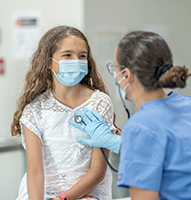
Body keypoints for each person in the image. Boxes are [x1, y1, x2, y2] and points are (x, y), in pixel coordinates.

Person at [69, 31, 191, 200]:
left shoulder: (140, 126)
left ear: (126, 75)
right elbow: (179, 155)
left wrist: (131, 140)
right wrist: (122, 143)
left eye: (114, 68)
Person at [10, 25, 119, 200]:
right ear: (48, 62)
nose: (76, 60)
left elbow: (98, 171)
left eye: (82, 55)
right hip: (41, 192)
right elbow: (35, 172)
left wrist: (63, 198)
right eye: (67, 55)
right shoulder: (34, 111)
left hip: (87, 192)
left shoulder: (100, 103)